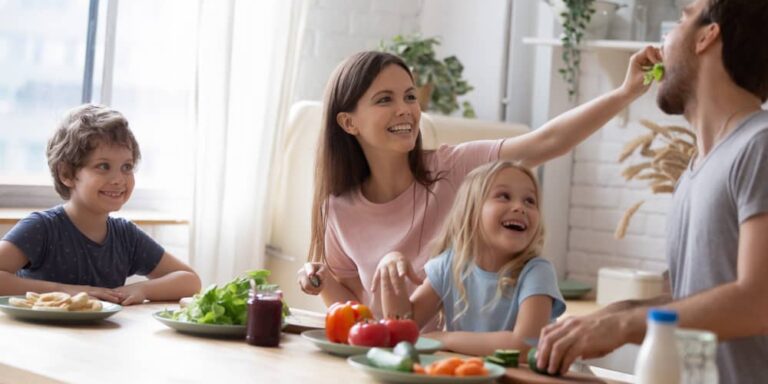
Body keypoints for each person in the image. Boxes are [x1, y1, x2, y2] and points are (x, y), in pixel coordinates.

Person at [297, 47, 661, 322]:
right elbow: (352, 313)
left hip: (460, 355)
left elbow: (547, 142)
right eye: (384, 100)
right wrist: (321, 281)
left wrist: (626, 92)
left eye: (409, 96)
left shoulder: (456, 167)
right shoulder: (339, 209)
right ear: (348, 123)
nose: (405, 109)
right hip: (388, 355)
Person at [534, 1, 768, 383]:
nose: (661, 42)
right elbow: (698, 301)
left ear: (708, 35)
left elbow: (758, 302)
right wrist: (614, 314)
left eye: (680, 18)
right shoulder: (696, 170)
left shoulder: (759, 146)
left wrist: (626, 324)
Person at [0, 104, 201, 305]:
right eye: (103, 166)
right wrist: (64, 290)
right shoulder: (41, 228)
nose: (119, 179)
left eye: (127, 167)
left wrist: (142, 289)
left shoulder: (126, 236)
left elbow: (190, 280)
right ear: (66, 174)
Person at [379, 161, 565, 356]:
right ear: (471, 211)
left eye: (530, 201)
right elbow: (402, 328)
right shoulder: (449, 265)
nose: (519, 207)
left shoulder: (537, 272)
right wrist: (389, 271)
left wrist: (445, 338)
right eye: (504, 196)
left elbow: (525, 345)